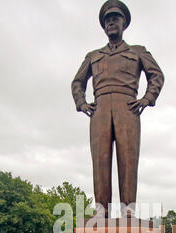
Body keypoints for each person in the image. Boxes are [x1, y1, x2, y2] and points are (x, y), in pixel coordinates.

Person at [72, 0, 164, 217]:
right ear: (104, 26)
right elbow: (77, 82)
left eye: (115, 18)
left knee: (128, 160)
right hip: (100, 109)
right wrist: (81, 103)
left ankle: (128, 210)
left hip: (128, 107)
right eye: (108, 20)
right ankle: (101, 211)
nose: (111, 22)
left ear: (124, 23)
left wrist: (147, 98)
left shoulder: (138, 51)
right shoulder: (93, 56)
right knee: (100, 161)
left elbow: (156, 75)